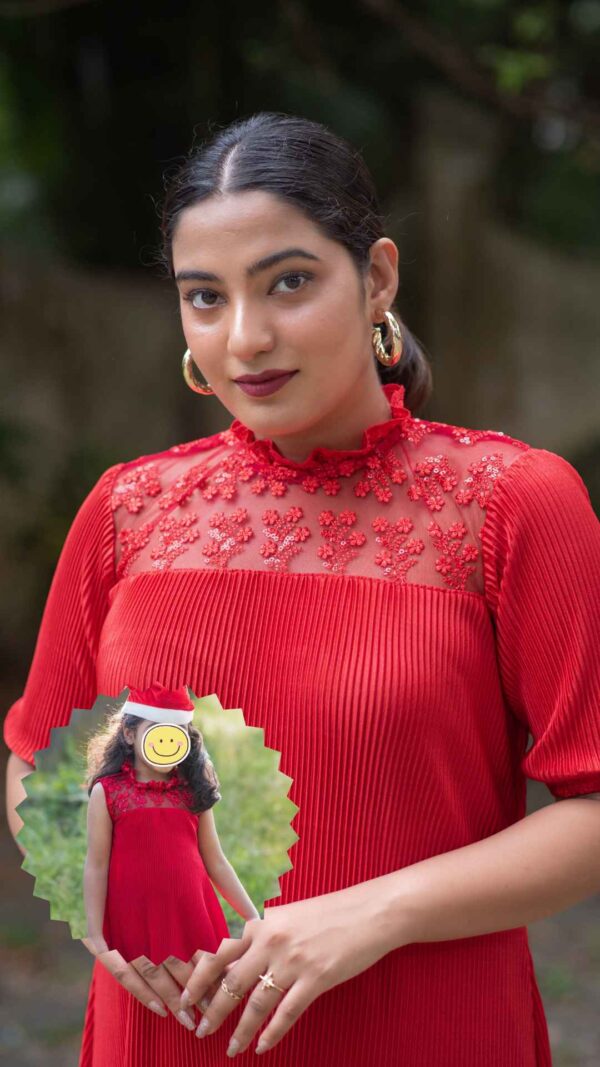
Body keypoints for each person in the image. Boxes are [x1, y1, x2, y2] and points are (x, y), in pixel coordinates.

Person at [4, 110, 600, 1067]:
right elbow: (38, 751)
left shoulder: (510, 506)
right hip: (168, 1030)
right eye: (206, 297)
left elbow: (593, 806)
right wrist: (87, 890)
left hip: (420, 1027)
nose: (247, 336)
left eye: (289, 281)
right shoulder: (130, 509)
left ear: (378, 278)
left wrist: (375, 913)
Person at [83, 682, 258, 971]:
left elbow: (215, 861)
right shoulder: (109, 792)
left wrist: (254, 919)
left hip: (192, 914)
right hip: (133, 916)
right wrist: (96, 936)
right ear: (129, 733)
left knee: (203, 991)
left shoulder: (192, 791)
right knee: (146, 990)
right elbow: (96, 865)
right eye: (157, 730)